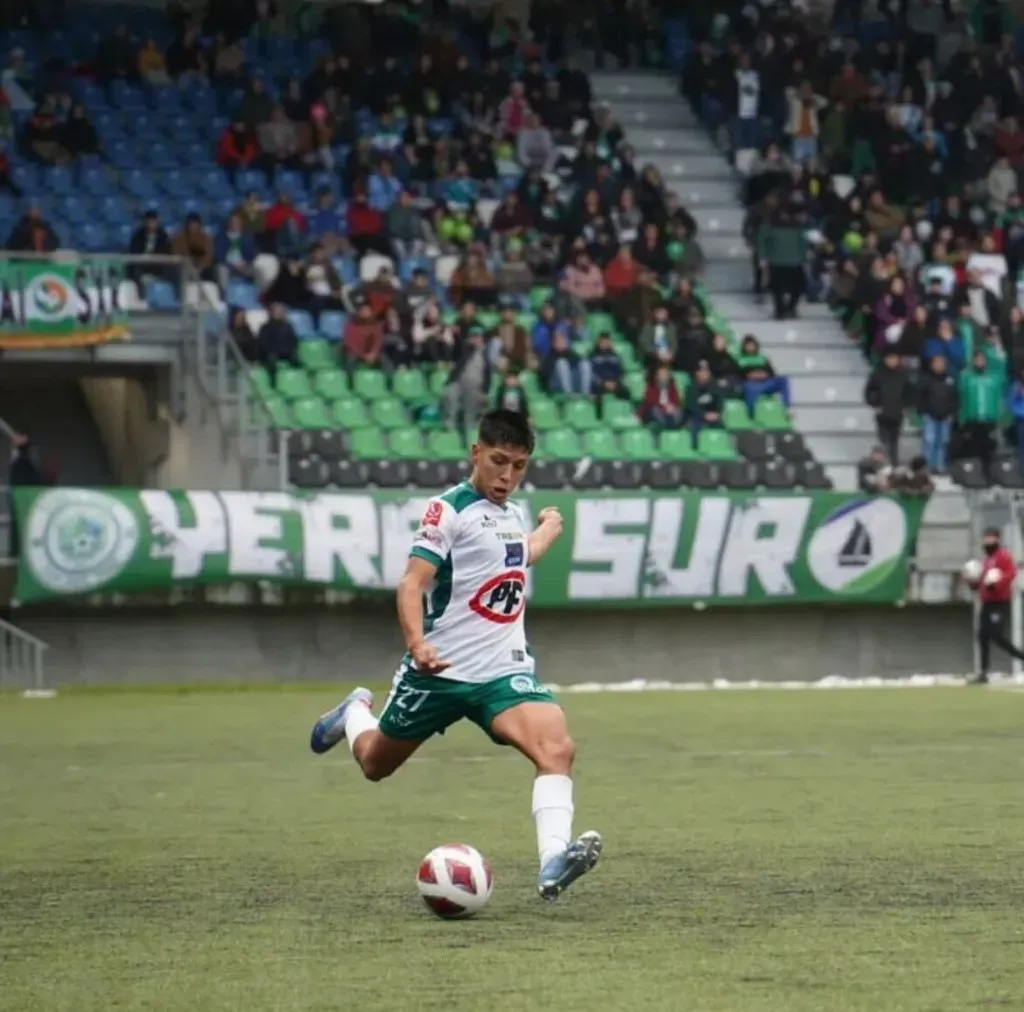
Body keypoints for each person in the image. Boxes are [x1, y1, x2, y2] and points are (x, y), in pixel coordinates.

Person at [309, 409, 602, 901]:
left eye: (520, 466)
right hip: (438, 673)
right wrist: (417, 645)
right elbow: (411, 583)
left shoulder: (511, 513)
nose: (507, 477)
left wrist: (549, 527)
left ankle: (553, 859)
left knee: (557, 747)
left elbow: (517, 555)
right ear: (475, 453)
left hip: (502, 673)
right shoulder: (447, 510)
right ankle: (356, 712)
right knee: (375, 764)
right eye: (499, 461)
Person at [963, 527, 1024, 685]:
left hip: (1000, 603)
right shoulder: (985, 561)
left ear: (997, 539)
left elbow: (1010, 574)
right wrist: (971, 581)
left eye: (991, 538)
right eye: (985, 538)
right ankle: (983, 672)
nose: (987, 541)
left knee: (996, 635)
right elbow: (979, 585)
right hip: (987, 603)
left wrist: (996, 583)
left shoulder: (1003, 556)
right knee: (982, 636)